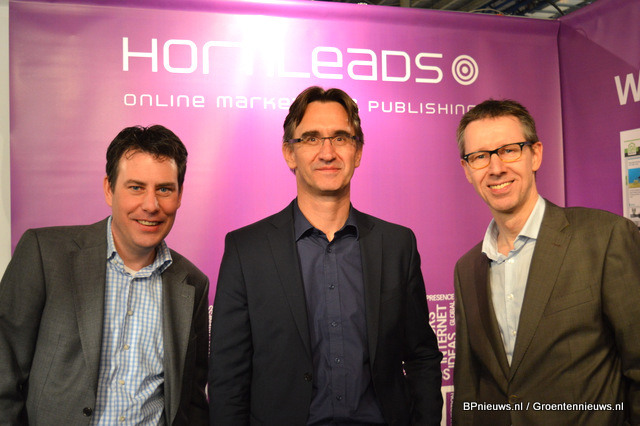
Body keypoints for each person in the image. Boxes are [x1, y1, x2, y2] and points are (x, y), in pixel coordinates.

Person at [209, 86, 443, 425]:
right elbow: (228, 377)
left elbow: (421, 356)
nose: (328, 152)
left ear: (358, 151)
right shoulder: (246, 250)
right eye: (311, 139)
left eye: (341, 138)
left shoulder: (397, 245)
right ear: (290, 153)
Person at [0, 125, 209, 425]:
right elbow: (4, 372)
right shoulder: (44, 255)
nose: (151, 205)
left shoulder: (193, 284)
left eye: (164, 189)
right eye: (136, 187)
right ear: (109, 189)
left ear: (179, 195)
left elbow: (192, 400)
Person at [452, 99, 640, 425]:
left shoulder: (605, 238)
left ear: (535, 154)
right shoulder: (467, 268)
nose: (496, 168)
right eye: (480, 156)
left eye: (509, 150)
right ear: (467, 170)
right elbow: (470, 387)